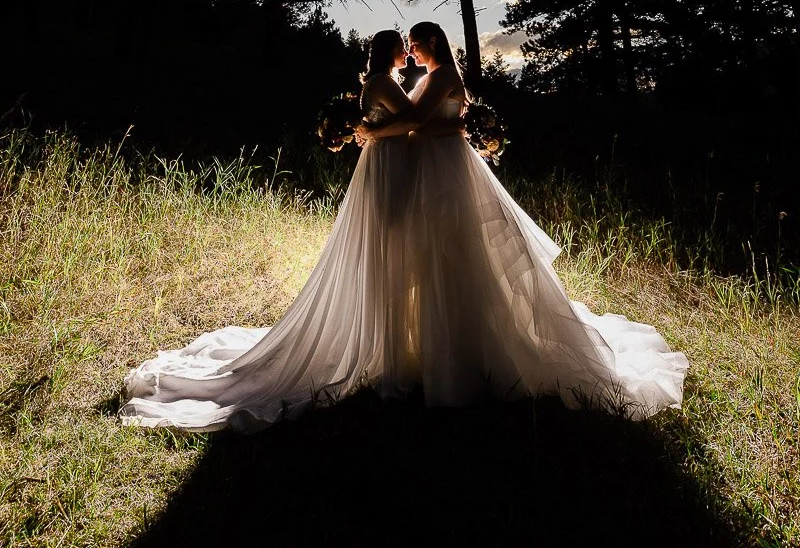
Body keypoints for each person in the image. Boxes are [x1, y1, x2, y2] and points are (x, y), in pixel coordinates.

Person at [120, 24, 688, 431]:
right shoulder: (414, 78)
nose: (412, 52)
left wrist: (376, 132)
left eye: (416, 44)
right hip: (417, 177)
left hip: (442, 176)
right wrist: (373, 129)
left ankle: (453, 359)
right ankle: (418, 356)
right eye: (406, 47)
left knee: (455, 261)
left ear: (430, 45)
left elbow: (417, 122)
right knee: (425, 262)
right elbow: (407, 120)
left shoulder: (440, 77)